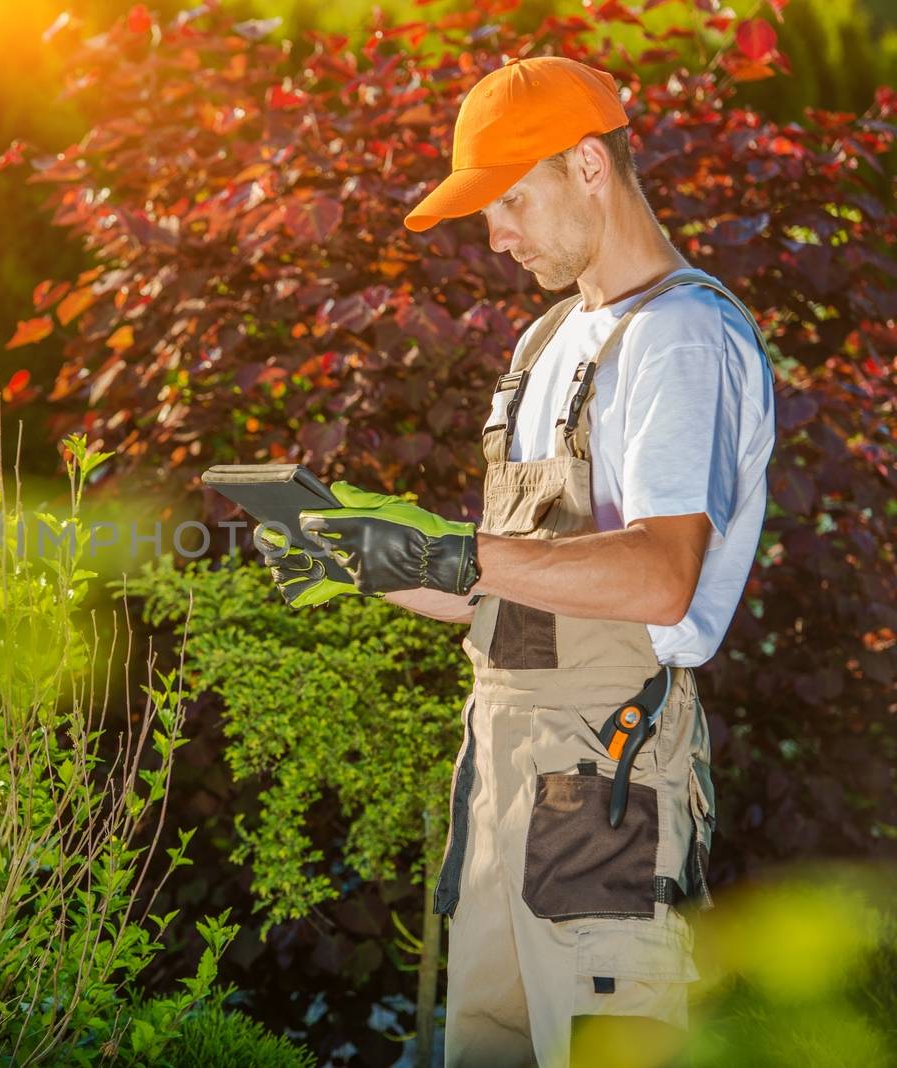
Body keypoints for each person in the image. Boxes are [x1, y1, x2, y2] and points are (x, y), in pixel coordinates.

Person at [255, 56, 777, 1067]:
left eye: (507, 203)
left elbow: (659, 576)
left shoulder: (678, 339)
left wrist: (454, 549)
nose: (492, 236)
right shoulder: (546, 341)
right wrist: (371, 559)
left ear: (589, 165)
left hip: (601, 792)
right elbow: (511, 596)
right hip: (499, 781)